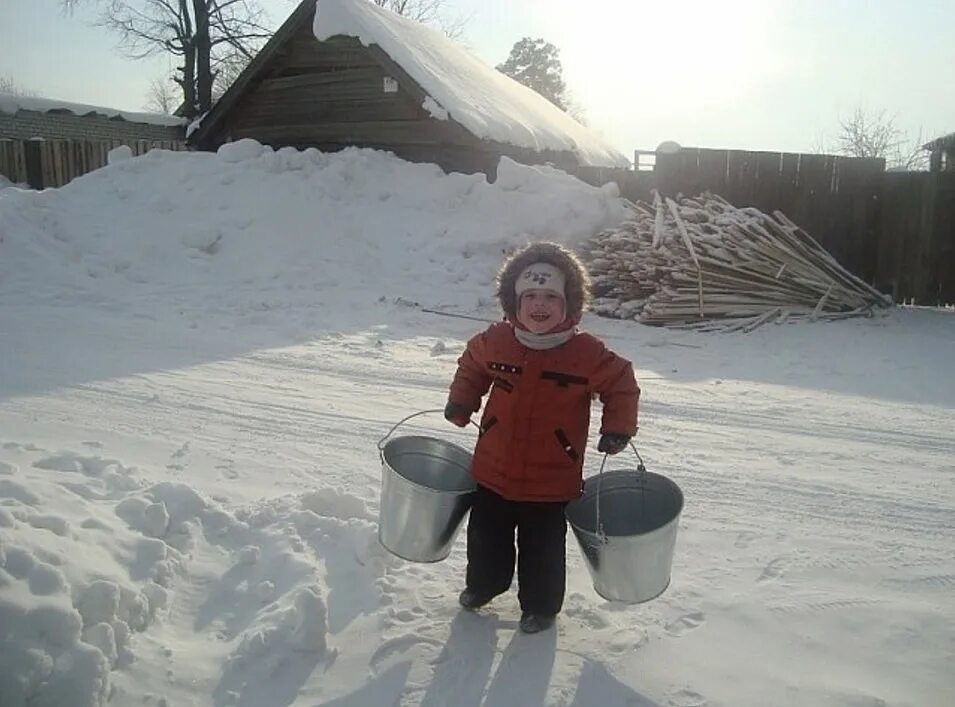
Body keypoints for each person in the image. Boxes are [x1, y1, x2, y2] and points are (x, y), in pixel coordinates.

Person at [444, 241, 639, 634]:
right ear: (512, 300)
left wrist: (617, 428)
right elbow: (472, 366)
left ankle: (541, 607)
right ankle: (483, 586)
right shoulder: (497, 341)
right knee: (486, 538)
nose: (538, 305)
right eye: (529, 295)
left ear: (569, 304)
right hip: (493, 470)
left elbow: (621, 384)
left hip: (552, 478)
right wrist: (462, 401)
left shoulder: (585, 353)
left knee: (542, 549)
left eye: (550, 296)